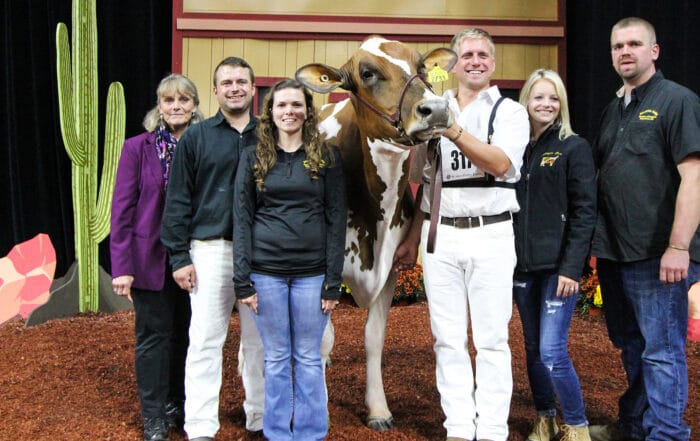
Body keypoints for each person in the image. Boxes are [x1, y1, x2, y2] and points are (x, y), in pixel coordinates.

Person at [393, 28, 529, 441]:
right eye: (466, 54)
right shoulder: (433, 107)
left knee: (491, 340)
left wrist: (452, 131)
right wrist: (414, 235)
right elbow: (426, 179)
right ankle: (457, 427)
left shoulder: (508, 111)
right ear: (451, 64)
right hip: (442, 236)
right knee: (447, 339)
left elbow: (501, 164)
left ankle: (490, 430)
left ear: (493, 62)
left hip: (491, 234)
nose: (475, 61)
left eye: (482, 55)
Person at [588, 17, 700, 441]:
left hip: (657, 254)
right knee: (633, 346)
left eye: (635, 44)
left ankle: (668, 434)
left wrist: (678, 246)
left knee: (663, 352)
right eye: (618, 46)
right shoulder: (613, 108)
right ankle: (636, 426)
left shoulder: (677, 101)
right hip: (617, 253)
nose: (625, 52)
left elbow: (694, 177)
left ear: (654, 51)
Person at [233, 78, 346, 441]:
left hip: (312, 275)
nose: (289, 112)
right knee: (277, 358)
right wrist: (242, 279)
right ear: (270, 112)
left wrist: (333, 281)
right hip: (265, 274)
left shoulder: (327, 157)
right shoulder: (253, 156)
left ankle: (312, 433)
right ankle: (278, 432)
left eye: (296, 105)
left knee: (310, 357)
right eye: (281, 105)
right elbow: (241, 217)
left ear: (307, 112)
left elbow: (336, 220)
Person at [160, 57, 265, 441]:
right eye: (227, 82)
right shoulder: (197, 137)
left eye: (242, 81)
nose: (235, 87)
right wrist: (179, 257)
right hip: (211, 251)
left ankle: (260, 416)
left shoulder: (269, 136)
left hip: (261, 254)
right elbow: (178, 201)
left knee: (258, 341)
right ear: (216, 90)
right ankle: (201, 425)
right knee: (205, 339)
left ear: (253, 90)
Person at [111, 73, 204, 441]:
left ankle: (177, 405)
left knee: (186, 335)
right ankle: (153, 415)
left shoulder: (203, 144)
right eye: (169, 100)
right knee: (153, 338)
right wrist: (122, 268)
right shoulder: (138, 147)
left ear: (195, 105)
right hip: (148, 259)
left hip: (194, 259)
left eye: (184, 99)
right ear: (159, 106)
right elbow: (122, 210)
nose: (176, 106)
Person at [512, 69, 596, 441]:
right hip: (521, 268)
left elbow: (584, 212)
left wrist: (571, 269)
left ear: (561, 105)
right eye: (539, 97)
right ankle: (545, 419)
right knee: (532, 349)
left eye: (553, 98)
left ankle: (576, 426)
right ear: (526, 101)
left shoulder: (573, 147)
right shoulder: (514, 149)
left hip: (558, 271)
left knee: (551, 351)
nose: (546, 104)